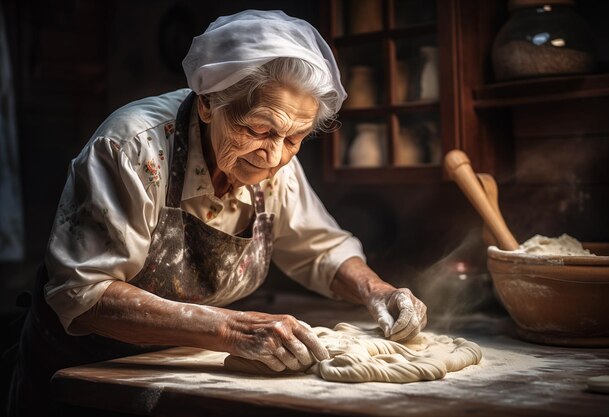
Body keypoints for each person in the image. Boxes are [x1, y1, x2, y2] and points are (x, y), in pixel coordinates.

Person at [7, 10, 427, 416]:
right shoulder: (132, 148)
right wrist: (232, 330)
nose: (275, 156)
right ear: (208, 103)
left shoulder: (275, 162)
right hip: (82, 376)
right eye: (259, 130)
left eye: (295, 138)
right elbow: (83, 293)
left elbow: (319, 249)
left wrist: (377, 291)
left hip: (183, 373)